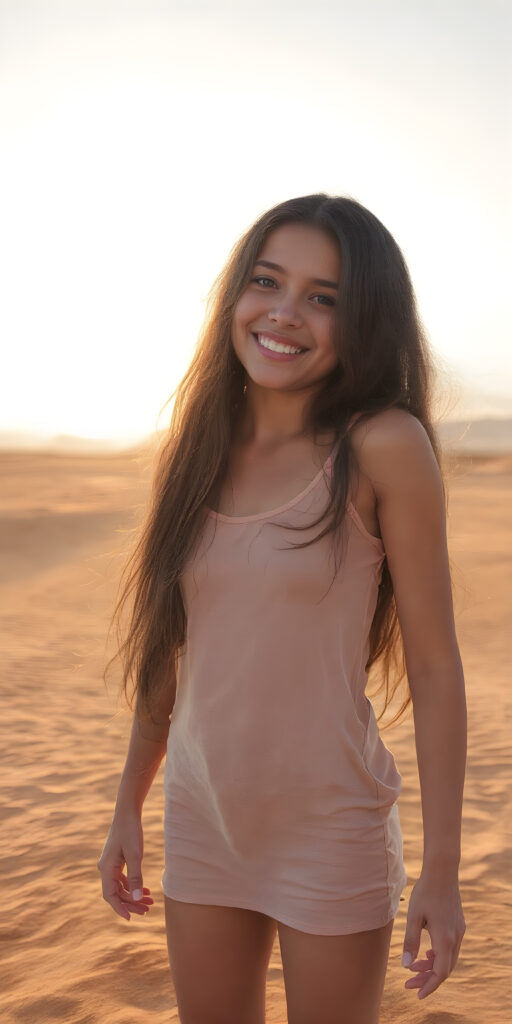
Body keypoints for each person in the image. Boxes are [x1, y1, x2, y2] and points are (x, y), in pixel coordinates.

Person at [97, 193, 467, 1024]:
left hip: (327, 827)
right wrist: (129, 801)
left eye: (323, 298)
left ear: (364, 320)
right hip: (203, 816)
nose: (284, 313)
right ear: (236, 294)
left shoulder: (383, 445)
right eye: (267, 281)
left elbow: (438, 667)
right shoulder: (193, 451)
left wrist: (441, 873)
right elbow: (171, 645)